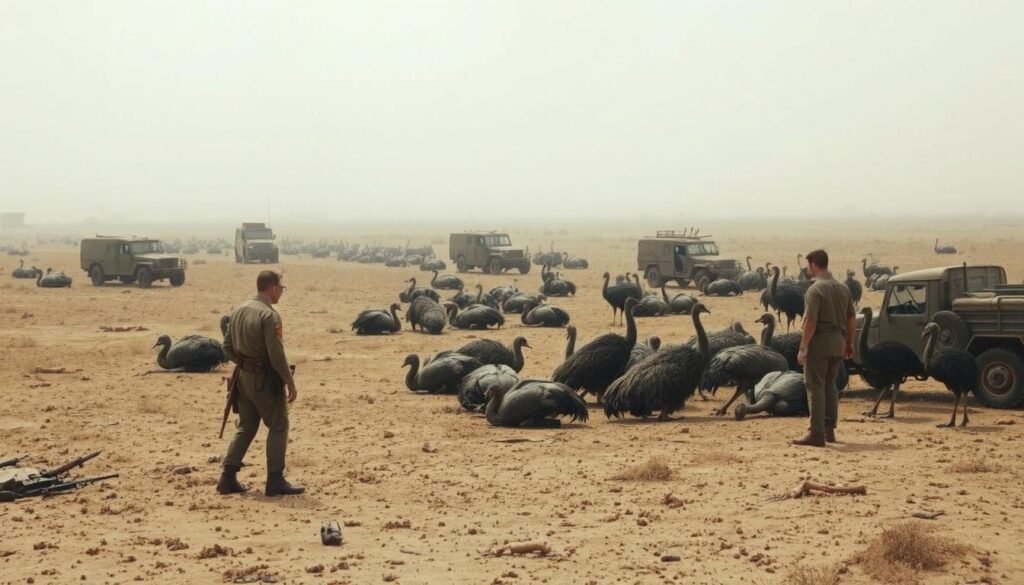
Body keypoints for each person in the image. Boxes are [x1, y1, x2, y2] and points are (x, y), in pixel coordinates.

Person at [217, 270, 304, 496]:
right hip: (264, 380)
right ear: (273, 287)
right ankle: (275, 480)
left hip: (243, 379)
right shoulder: (269, 315)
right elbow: (276, 354)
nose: (282, 293)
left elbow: (226, 348)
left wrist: (244, 363)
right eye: (281, 288)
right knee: (279, 425)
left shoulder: (238, 310)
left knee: (246, 426)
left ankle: (227, 478)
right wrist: (289, 381)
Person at [794, 249, 855, 447]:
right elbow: (851, 317)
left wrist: (803, 347)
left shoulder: (815, 289)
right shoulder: (843, 288)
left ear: (813, 265)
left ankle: (816, 433)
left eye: (808, 265)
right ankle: (829, 430)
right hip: (838, 342)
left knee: (815, 386)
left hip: (819, 343)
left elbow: (811, 321)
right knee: (830, 385)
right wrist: (849, 342)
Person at [734, 371, 809, 421]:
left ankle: (752, 407)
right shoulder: (799, 380)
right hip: (773, 388)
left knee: (781, 406)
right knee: (781, 406)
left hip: (764, 390)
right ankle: (754, 407)